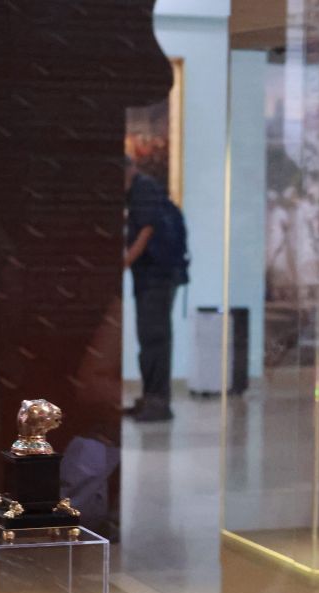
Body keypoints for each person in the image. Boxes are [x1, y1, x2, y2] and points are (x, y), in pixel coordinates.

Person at [124, 154, 187, 422]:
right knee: (149, 337)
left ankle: (158, 401)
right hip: (152, 276)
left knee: (155, 338)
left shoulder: (143, 188)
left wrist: (124, 262)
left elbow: (147, 230)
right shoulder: (140, 190)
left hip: (157, 276)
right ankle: (151, 396)